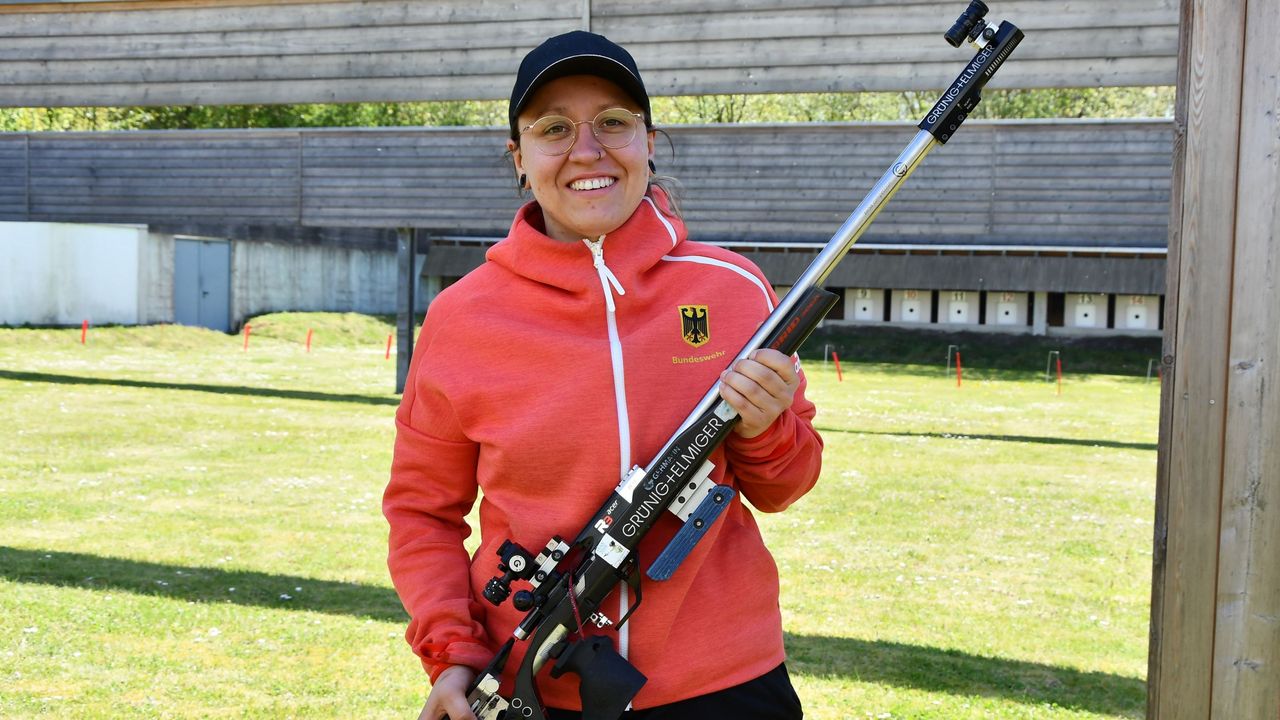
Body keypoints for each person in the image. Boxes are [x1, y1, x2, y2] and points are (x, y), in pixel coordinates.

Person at [383, 30, 823, 720]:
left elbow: (786, 485)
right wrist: (452, 650)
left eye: (613, 123)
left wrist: (768, 429)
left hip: (727, 687)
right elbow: (421, 511)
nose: (587, 151)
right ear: (520, 158)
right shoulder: (461, 317)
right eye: (554, 128)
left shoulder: (733, 287)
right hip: (537, 684)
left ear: (649, 140)